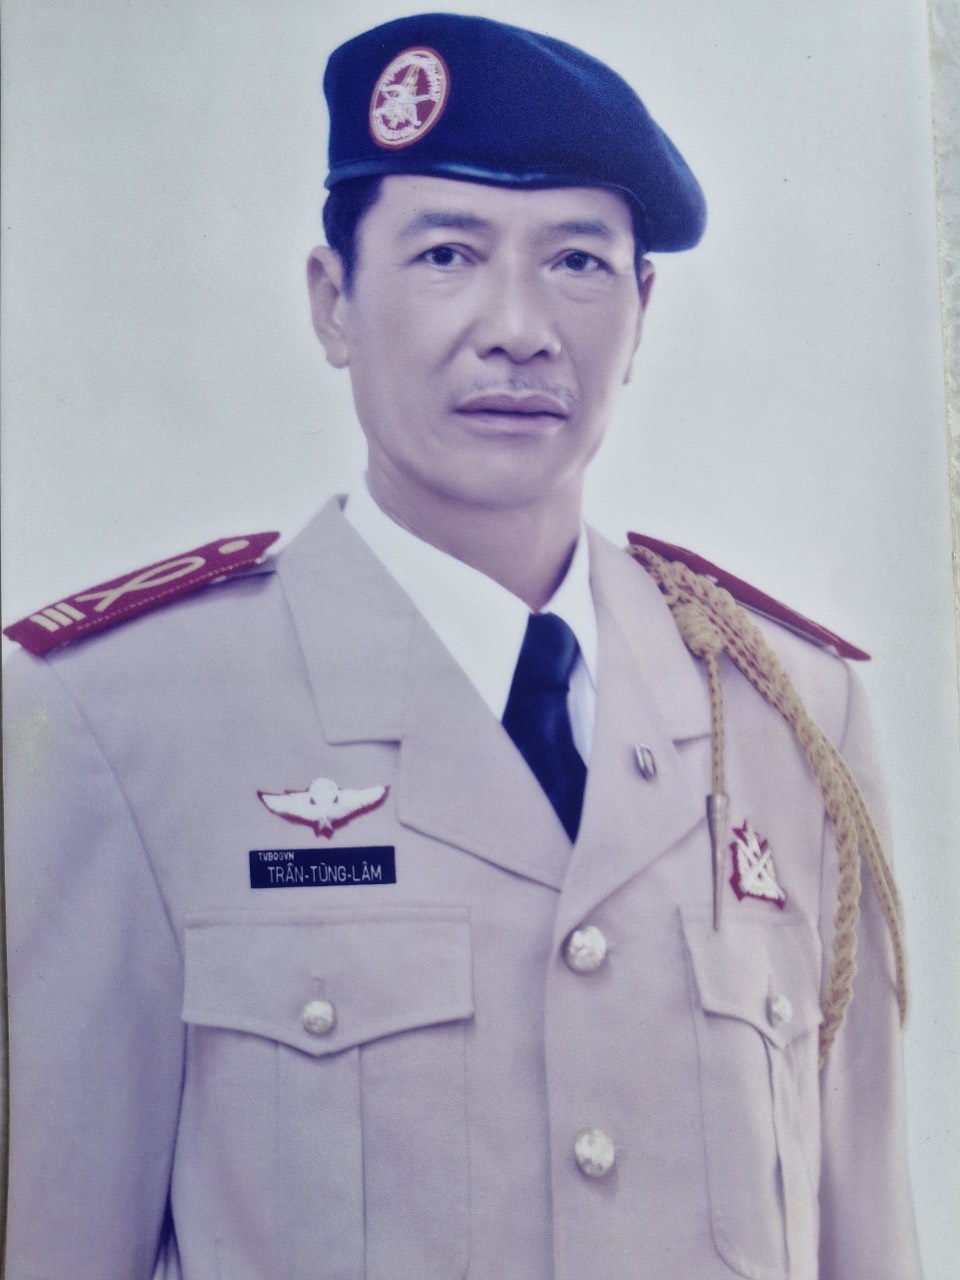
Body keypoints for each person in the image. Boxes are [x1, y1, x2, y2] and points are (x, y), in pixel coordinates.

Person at [2, 13, 921, 1279]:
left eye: (578, 262)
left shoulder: (786, 717)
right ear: (334, 300)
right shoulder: (121, 722)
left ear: (643, 311)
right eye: (448, 253)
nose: (519, 327)